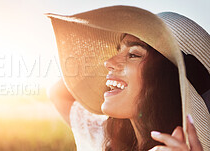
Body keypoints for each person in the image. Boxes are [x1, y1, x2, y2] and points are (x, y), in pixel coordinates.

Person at [46, 6, 210, 151]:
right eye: (118, 51)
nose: (107, 62)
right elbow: (57, 92)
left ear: (167, 83)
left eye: (133, 54)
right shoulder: (104, 138)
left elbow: (59, 93)